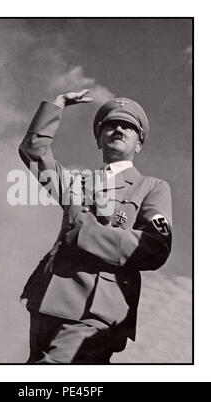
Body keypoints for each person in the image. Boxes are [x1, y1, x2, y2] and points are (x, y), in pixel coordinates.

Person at [18, 89, 172, 364]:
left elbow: (155, 247)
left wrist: (86, 233)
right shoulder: (78, 183)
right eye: (111, 125)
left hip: (98, 307)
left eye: (128, 127)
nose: (119, 129)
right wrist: (58, 105)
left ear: (138, 144)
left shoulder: (152, 187)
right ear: (99, 139)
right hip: (49, 298)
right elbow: (33, 153)